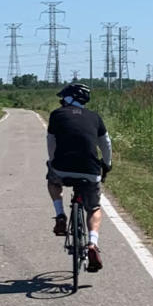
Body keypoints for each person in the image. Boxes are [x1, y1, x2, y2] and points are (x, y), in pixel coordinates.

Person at [46, 83, 111, 272]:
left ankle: (59, 215)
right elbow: (106, 144)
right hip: (90, 170)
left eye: (62, 98)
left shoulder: (57, 114)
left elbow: (51, 142)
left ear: (68, 99)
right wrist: (106, 164)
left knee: (53, 182)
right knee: (94, 208)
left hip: (62, 169)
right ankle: (92, 243)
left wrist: (52, 162)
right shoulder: (95, 117)